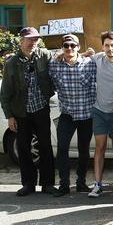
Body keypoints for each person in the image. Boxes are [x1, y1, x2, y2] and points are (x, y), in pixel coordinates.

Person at [0, 27, 56, 196]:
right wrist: (9, 116)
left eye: (36, 39)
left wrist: (86, 55)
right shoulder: (11, 63)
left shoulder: (45, 55)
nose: (33, 43)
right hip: (21, 112)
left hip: (40, 109)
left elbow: (64, 57)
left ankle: (47, 184)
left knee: (46, 147)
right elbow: (5, 93)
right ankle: (28, 184)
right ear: (21, 40)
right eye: (30, 39)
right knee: (23, 148)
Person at [49, 34, 97, 197]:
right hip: (67, 114)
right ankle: (63, 185)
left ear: (78, 47)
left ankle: (81, 183)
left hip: (86, 114)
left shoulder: (90, 64)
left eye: (73, 45)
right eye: (66, 45)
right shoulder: (54, 65)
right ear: (62, 47)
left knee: (84, 150)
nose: (69, 48)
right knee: (62, 149)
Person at [88, 31, 113, 197]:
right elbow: (80, 57)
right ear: (102, 46)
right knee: (100, 148)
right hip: (99, 111)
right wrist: (83, 53)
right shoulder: (98, 59)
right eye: (107, 45)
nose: (110, 48)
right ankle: (97, 184)